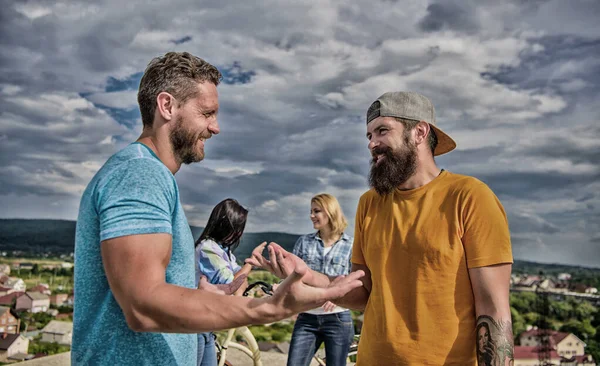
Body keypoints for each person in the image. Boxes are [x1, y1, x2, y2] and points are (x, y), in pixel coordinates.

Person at [72, 51, 364, 365]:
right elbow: (143, 305)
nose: (215, 128)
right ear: (167, 106)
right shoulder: (140, 174)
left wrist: (206, 296)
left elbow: (153, 289)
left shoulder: (148, 174)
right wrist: (269, 308)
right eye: (207, 113)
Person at [247, 92, 514, 365]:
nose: (372, 144)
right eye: (369, 136)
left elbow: (493, 309)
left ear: (419, 132)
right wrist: (306, 275)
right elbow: (363, 293)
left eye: (382, 131)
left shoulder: (470, 197)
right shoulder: (369, 203)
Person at [287, 193, 354, 366]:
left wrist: (337, 295)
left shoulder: (351, 245)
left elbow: (355, 280)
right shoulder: (303, 242)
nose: (311, 215)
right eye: (311, 211)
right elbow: (293, 277)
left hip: (338, 319)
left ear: (330, 212)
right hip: (307, 317)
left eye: (316, 211)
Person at [194, 198, 253, 366]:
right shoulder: (207, 249)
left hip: (208, 325)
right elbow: (233, 285)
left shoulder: (223, 250)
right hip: (196, 324)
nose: (240, 234)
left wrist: (241, 277)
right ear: (227, 225)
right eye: (238, 228)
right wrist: (250, 265)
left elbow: (240, 284)